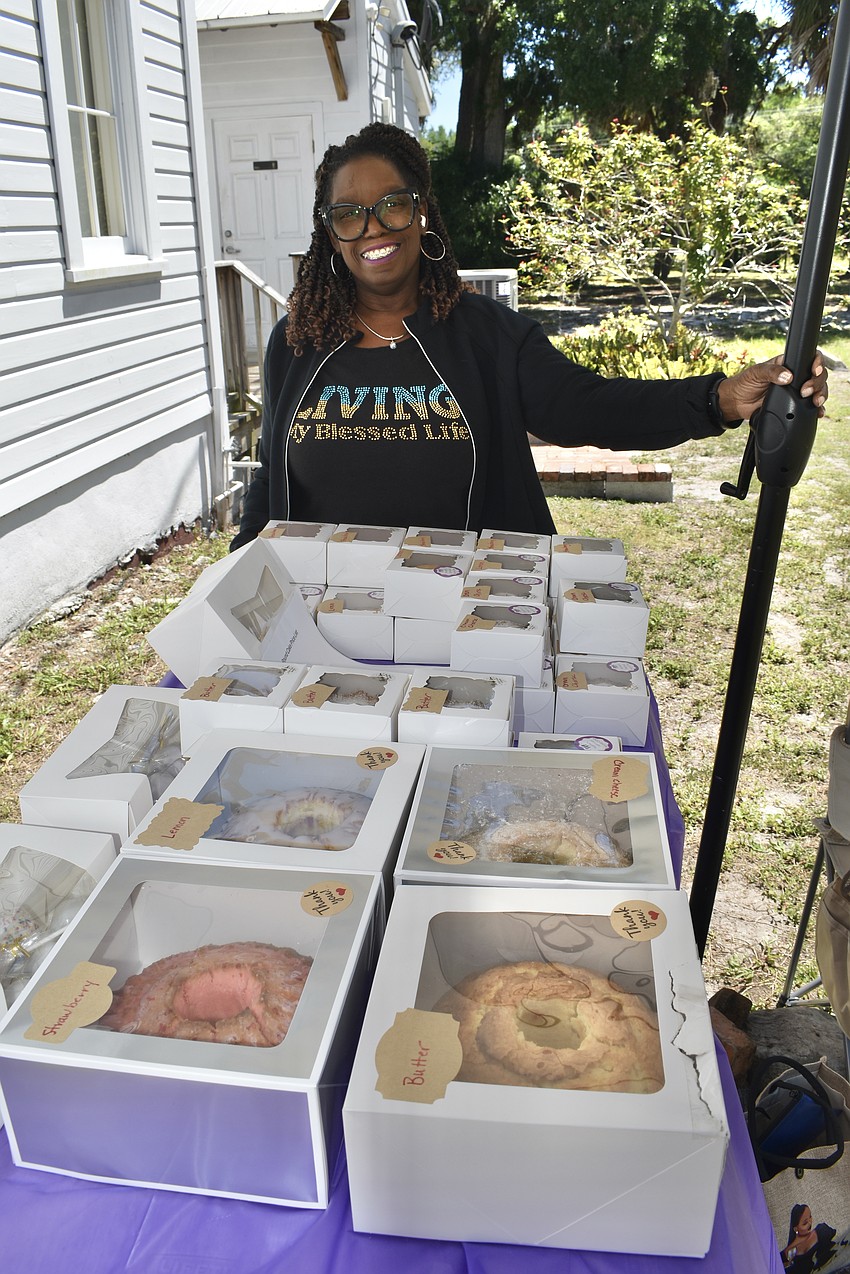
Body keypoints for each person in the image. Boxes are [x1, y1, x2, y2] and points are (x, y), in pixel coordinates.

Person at [231, 123, 829, 549]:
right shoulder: (297, 343)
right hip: (322, 620)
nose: (371, 228)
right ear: (330, 234)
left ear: (422, 212)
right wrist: (239, 571)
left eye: (392, 205)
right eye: (347, 214)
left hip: (472, 620)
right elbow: (273, 473)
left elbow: (591, 408)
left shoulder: (489, 338)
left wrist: (718, 399)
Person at [781, 1203, 837, 1271]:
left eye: (810, 1217)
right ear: (796, 1229)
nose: (810, 1223)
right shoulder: (792, 1250)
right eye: (805, 1223)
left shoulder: (821, 1230)